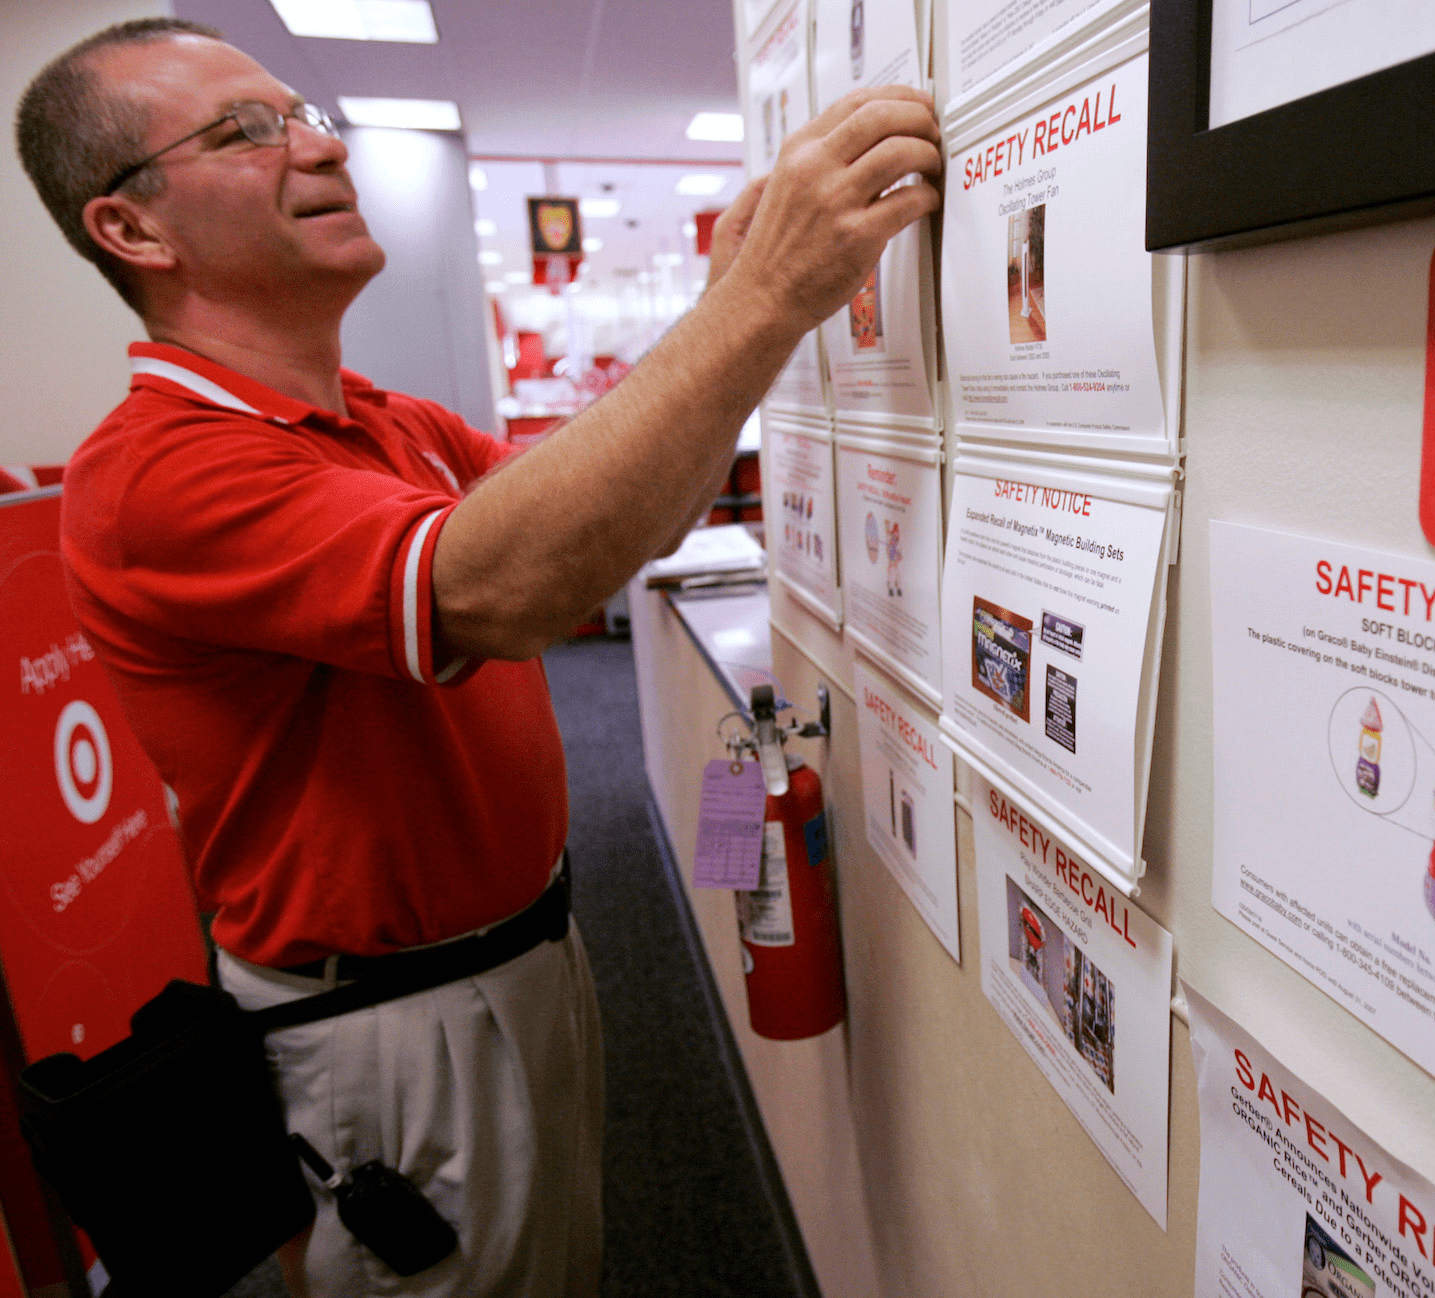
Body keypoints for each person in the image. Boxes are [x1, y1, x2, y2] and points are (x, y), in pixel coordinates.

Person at [15, 17, 941, 1297]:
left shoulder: (383, 418)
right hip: (392, 1027)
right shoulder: (156, 469)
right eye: (247, 129)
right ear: (133, 230)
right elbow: (504, 588)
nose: (317, 149)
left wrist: (745, 315)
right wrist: (760, 298)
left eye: (306, 115)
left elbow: (618, 519)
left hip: (524, 952)